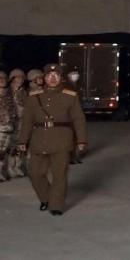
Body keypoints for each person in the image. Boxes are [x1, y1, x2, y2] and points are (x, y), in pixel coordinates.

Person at [17, 63, 87, 216]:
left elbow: (78, 119)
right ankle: (46, 198)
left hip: (62, 140)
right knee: (35, 173)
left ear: (61, 78)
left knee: (59, 175)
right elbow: (27, 120)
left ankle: (56, 205)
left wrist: (81, 140)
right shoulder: (34, 97)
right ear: (44, 78)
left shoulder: (70, 96)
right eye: (49, 75)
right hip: (39, 139)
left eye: (56, 75)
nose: (53, 78)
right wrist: (23, 140)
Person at [8, 69, 28, 178]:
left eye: (22, 78)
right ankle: (10, 168)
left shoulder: (23, 91)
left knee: (21, 145)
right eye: (18, 77)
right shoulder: (7, 91)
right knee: (10, 146)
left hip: (22, 120)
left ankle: (18, 167)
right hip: (11, 121)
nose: (20, 80)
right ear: (13, 78)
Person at [64, 68, 83, 165]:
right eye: (74, 74)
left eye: (77, 74)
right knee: (70, 137)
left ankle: (75, 156)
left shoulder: (76, 86)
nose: (76, 76)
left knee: (76, 136)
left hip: (75, 114)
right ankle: (70, 157)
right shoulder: (67, 86)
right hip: (69, 115)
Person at [0, 71, 15, 181]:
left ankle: (2, 172)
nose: (3, 81)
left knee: (4, 151)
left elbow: (12, 110)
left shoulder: (8, 95)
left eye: (4, 79)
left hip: (8, 127)